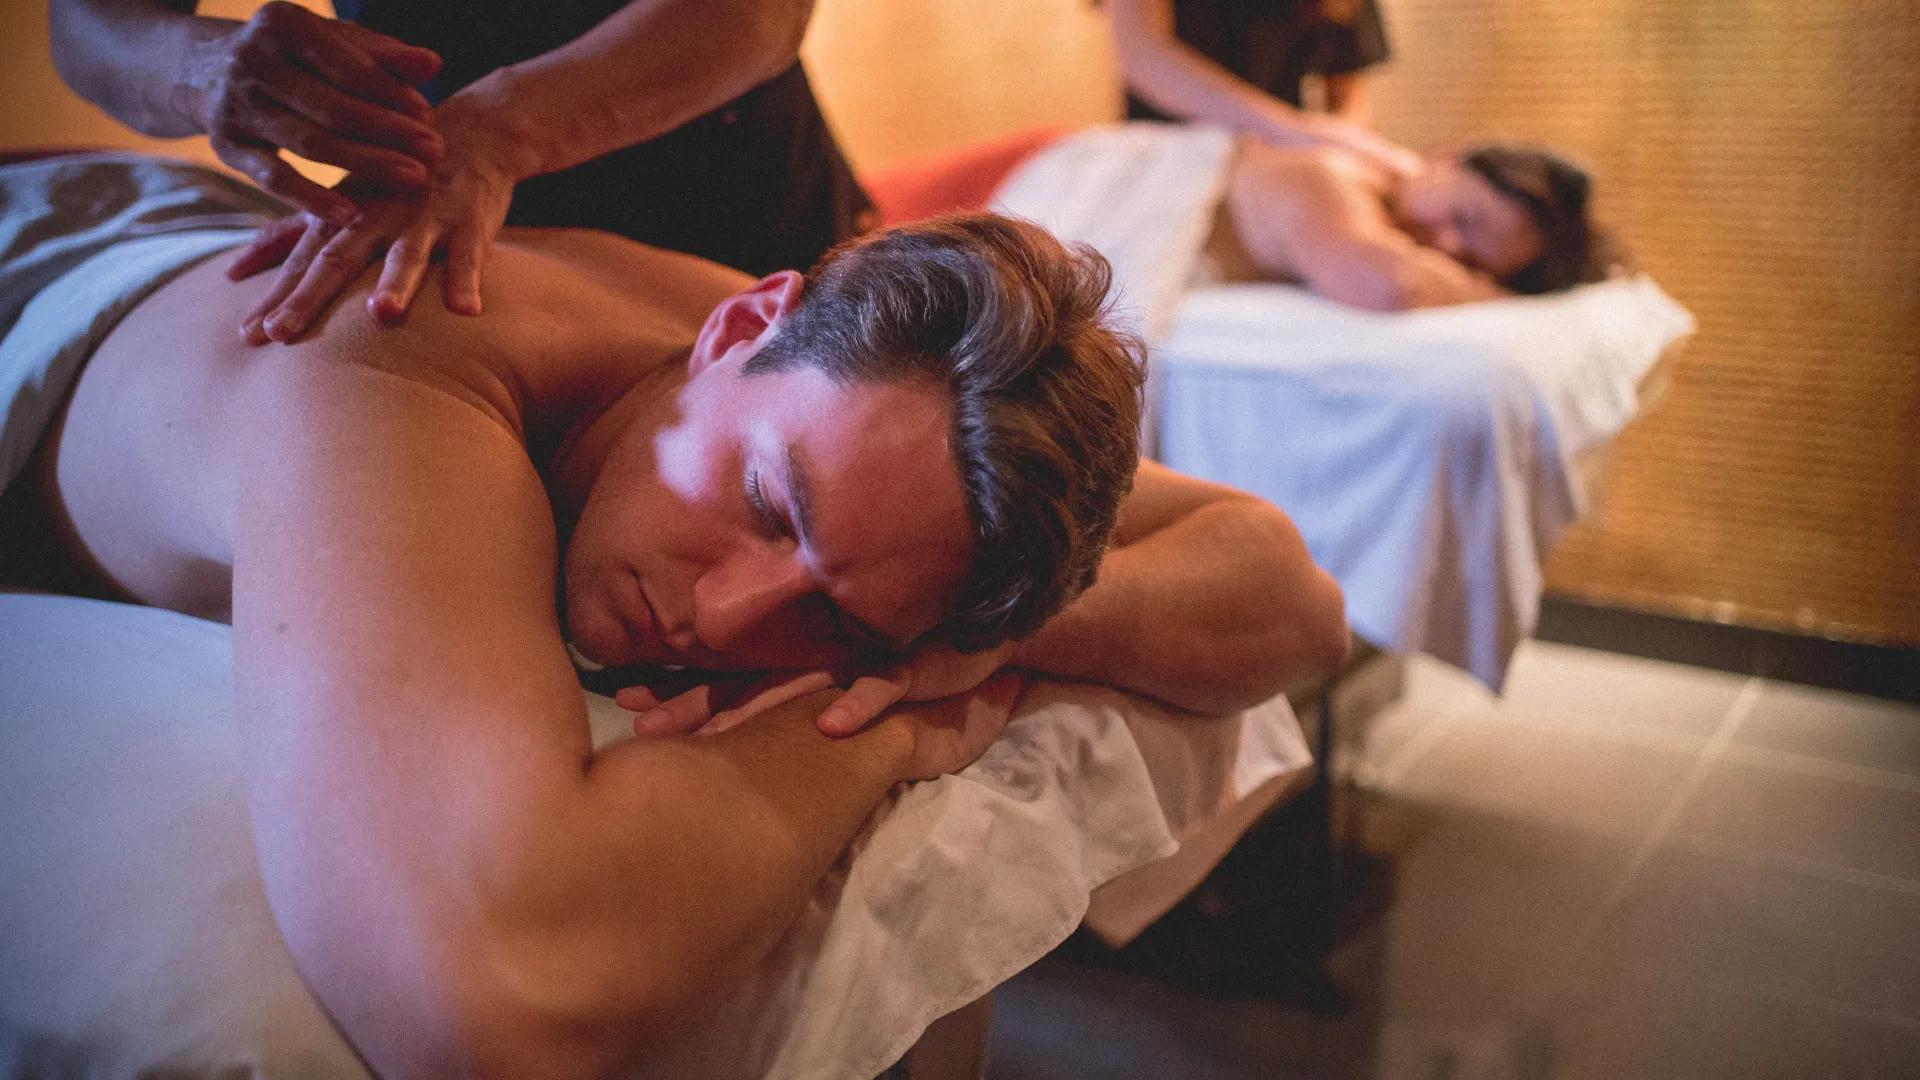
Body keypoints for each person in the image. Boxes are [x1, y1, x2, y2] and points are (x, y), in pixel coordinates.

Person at [0, 156, 1349, 1076]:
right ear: (738, 325)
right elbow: (499, 989)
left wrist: (979, 643)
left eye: (835, 626)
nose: (726, 613)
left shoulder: (864, 427)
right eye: (771, 503)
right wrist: (883, 734)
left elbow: (1290, 597)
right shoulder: (392, 371)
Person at [48, 0, 865, 346]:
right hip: (461, 255)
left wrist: (501, 133)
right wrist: (194, 64)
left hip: (755, 229)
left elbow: (761, 14)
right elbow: (86, 23)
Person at [1217, 138, 1616, 309]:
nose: (1444, 247)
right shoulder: (1331, 176)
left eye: (1469, 264)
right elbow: (1389, 286)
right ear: (1450, 158)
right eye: (1463, 218)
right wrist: (1498, 297)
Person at [1106, 0, 1420, 178]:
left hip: (1286, 160)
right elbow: (1140, 51)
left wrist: (1351, 154)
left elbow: (1347, 94)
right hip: (1174, 165)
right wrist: (1293, 131)